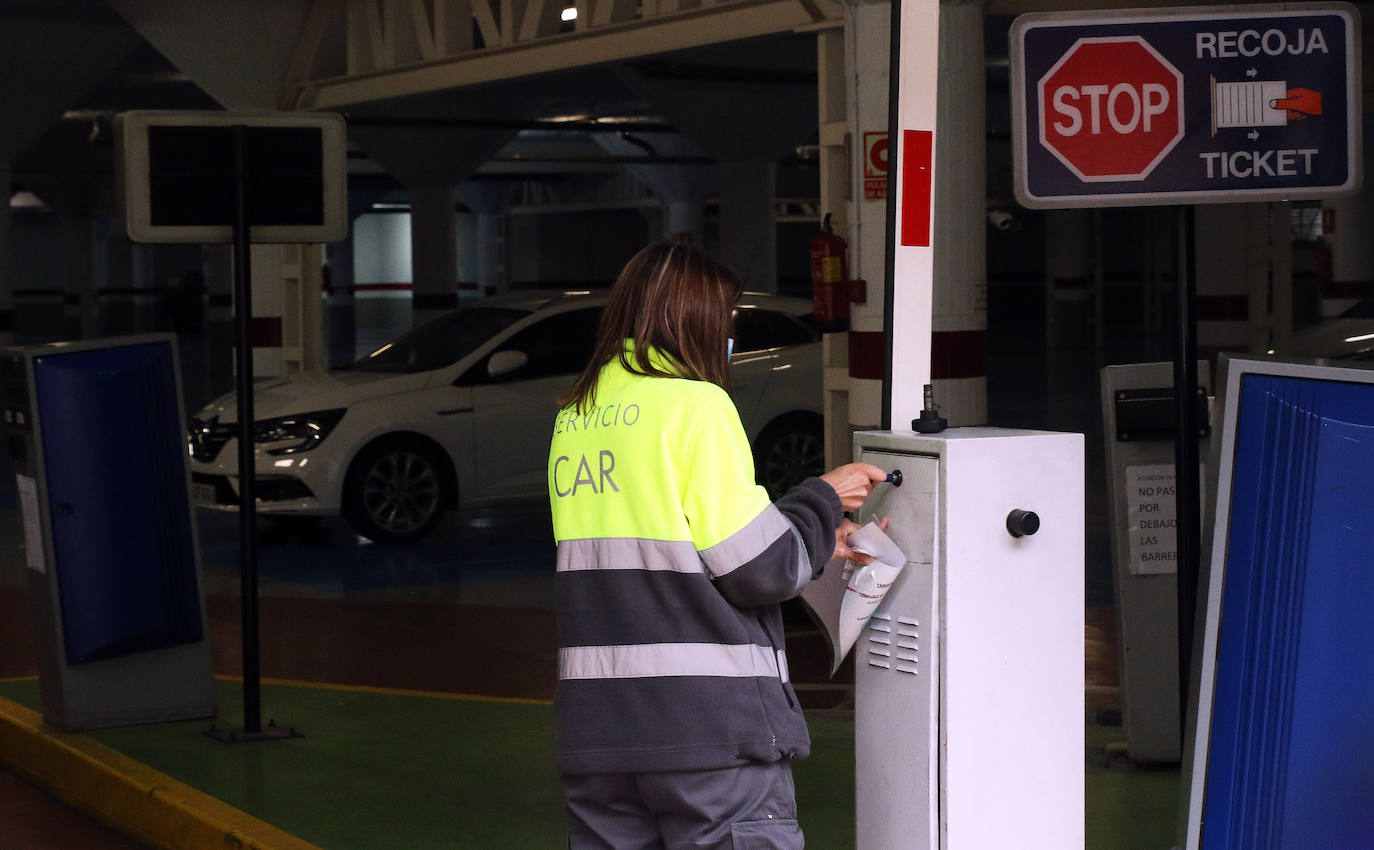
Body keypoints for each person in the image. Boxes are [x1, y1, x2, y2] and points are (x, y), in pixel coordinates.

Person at [547, 240, 887, 849]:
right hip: (705, 730)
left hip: (599, 732)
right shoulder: (696, 404)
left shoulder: (577, 413)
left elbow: (674, 547)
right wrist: (820, 499)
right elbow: (758, 569)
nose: (730, 332)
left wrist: (808, 533)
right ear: (696, 318)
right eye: (727, 318)